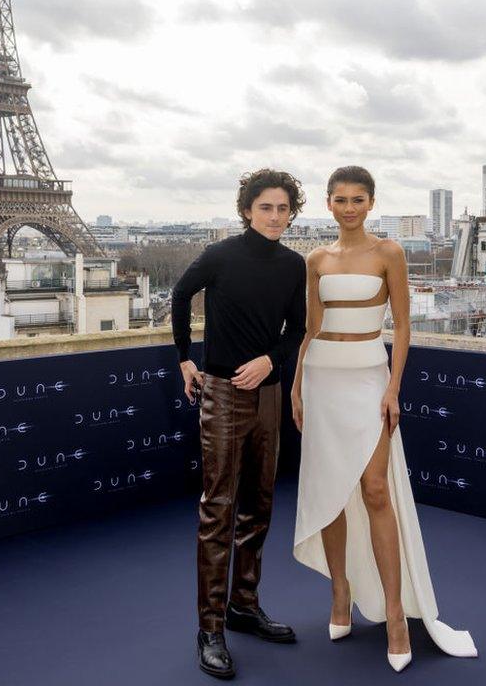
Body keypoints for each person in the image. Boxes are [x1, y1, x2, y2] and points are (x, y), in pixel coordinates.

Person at [291, 166, 477, 672]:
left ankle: (396, 614)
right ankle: (340, 593)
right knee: (330, 494)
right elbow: (311, 327)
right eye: (339, 199)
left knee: (375, 491)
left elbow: (402, 324)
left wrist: (393, 389)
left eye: (357, 199)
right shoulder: (316, 258)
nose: (348, 207)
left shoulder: (389, 252)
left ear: (371, 203)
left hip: (369, 377)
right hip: (322, 377)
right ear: (328, 204)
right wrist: (295, 383)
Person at [172, 168, 307, 680]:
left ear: (292, 212)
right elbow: (180, 295)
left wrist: (272, 361)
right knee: (218, 510)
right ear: (248, 210)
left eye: (283, 208)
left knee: (260, 505)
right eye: (266, 207)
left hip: (268, 395)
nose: (275, 216)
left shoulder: (294, 265)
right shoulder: (220, 255)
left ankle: (243, 607)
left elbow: (297, 328)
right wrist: (185, 358)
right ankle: (209, 629)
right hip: (224, 394)